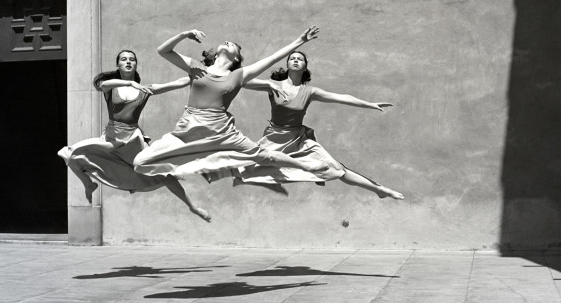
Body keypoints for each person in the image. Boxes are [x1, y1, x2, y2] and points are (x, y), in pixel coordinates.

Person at [133, 26, 327, 180]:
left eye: (233, 45)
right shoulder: (197, 68)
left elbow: (272, 58)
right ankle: (190, 166)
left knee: (262, 155)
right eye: (225, 43)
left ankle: (306, 165)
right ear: (216, 54)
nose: (228, 43)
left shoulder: (238, 76)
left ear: (236, 58)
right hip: (188, 128)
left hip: (221, 131)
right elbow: (163, 51)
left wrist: (300, 41)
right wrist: (184, 34)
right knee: (140, 162)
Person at [58, 50, 212, 222]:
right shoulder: (111, 87)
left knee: (165, 175)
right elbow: (102, 84)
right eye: (124, 59)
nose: (128, 62)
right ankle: (89, 183)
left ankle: (193, 207)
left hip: (133, 140)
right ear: (118, 65)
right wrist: (131, 84)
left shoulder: (145, 90)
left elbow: (178, 82)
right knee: (70, 154)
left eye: (132, 59)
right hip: (112, 139)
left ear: (136, 65)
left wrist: (202, 72)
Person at [238, 51, 404, 200]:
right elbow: (239, 80)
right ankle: (315, 175)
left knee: (337, 168)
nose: (295, 60)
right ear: (287, 65)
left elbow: (341, 97)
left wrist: (369, 103)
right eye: (292, 59)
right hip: (275, 138)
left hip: (299, 139)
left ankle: (379, 190)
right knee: (244, 171)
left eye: (300, 59)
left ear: (305, 68)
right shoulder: (273, 85)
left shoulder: (310, 92)